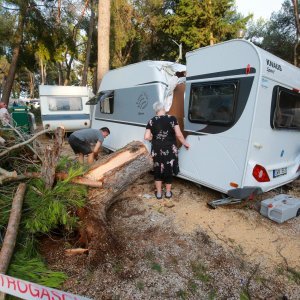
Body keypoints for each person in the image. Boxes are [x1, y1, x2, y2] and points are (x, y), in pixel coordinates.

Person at [144, 101, 190, 199]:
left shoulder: (151, 121)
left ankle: (159, 194)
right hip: (170, 149)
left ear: (155, 110)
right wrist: (185, 143)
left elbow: (146, 137)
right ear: (163, 108)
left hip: (156, 149)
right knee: (168, 168)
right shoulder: (172, 119)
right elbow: (178, 134)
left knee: (158, 170)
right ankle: (168, 193)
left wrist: (155, 138)